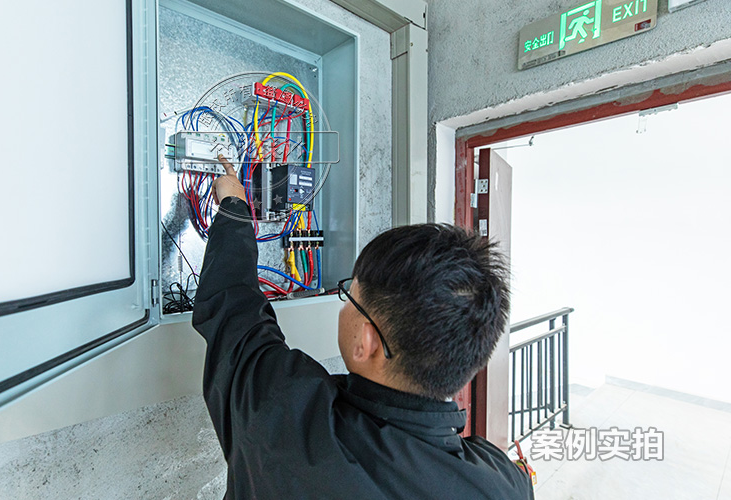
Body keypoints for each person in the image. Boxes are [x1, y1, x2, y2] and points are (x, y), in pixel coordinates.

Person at [191, 156, 534, 499]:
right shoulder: (506, 484)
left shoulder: (291, 426)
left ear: (367, 341)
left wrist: (234, 204)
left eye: (350, 297)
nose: (345, 305)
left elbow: (233, 309)